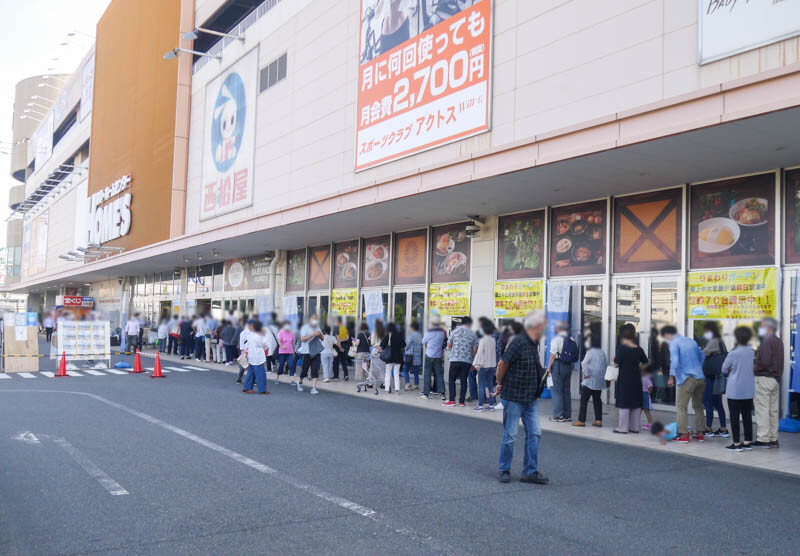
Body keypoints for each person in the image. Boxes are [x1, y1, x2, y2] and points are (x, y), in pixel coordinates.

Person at [495, 310, 549, 485]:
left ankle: (530, 472)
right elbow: (503, 363)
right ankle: (504, 469)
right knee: (510, 435)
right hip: (513, 397)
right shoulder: (518, 341)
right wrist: (499, 383)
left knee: (535, 433)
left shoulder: (533, 344)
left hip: (530, 398)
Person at [662, 325, 706, 443]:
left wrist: (671, 377)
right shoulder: (691, 341)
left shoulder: (674, 344)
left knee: (681, 406)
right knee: (698, 406)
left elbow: (674, 360)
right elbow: (702, 355)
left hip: (687, 378)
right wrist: (697, 367)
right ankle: (700, 433)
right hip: (700, 378)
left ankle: (683, 435)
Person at [722, 326, 756, 451]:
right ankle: (747, 442)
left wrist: (731, 370)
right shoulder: (751, 352)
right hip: (748, 389)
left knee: (734, 417)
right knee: (747, 416)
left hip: (735, 389)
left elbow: (724, 369)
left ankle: (736, 443)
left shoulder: (733, 353)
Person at [753, 317, 783, 448]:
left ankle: (763, 438)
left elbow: (764, 361)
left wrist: (755, 368)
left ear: (768, 327)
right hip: (775, 379)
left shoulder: (766, 341)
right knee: (773, 410)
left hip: (764, 378)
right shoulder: (778, 341)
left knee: (762, 409)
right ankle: (773, 438)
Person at [613, 324, 647, 434]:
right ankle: (635, 427)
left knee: (624, 403)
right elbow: (645, 362)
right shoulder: (639, 349)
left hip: (624, 379)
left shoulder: (621, 348)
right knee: (636, 403)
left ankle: (622, 428)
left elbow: (617, 362)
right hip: (636, 379)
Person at [546, 321, 578, 422]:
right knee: (566, 390)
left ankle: (558, 415)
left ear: (559, 329)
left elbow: (552, 355)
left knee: (556, 391)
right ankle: (567, 414)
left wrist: (548, 368)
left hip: (558, 365)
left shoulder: (556, 339)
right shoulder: (572, 339)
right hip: (568, 366)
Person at [701, 322, 729, 438]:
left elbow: (704, 353)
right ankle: (723, 428)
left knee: (708, 402)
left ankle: (708, 427)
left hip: (710, 376)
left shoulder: (713, 341)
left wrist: (701, 350)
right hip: (718, 375)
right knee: (718, 403)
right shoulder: (721, 342)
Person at [574, 333, 607, 427]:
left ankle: (581, 420)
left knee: (584, 400)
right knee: (597, 400)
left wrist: (587, 374)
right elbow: (605, 365)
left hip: (590, 380)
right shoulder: (602, 352)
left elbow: (583, 363)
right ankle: (598, 420)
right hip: (599, 381)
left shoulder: (590, 352)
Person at [444, 317, 478, 407]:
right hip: (467, 360)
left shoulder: (454, 331)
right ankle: (461, 402)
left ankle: (452, 400)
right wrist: (473, 362)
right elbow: (475, 350)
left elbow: (449, 344)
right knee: (463, 380)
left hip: (455, 359)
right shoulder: (473, 334)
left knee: (451, 379)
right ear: (470, 323)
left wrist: (455, 349)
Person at [473, 318, 497, 411]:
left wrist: (476, 364)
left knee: (481, 386)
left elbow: (479, 352)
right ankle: (491, 405)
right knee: (490, 386)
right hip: (492, 365)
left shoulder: (482, 340)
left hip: (483, 366)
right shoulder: (493, 339)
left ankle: (480, 406)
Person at [421, 315, 447, 400]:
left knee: (427, 374)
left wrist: (428, 346)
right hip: (438, 355)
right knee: (439, 374)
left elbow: (423, 341)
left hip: (429, 354)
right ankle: (442, 393)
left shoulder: (429, 332)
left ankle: (426, 394)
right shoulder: (442, 332)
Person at [242, 320, 270, 395]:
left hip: (251, 356)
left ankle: (247, 388)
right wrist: (264, 335)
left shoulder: (250, 335)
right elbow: (265, 344)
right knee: (261, 374)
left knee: (250, 373)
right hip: (258, 357)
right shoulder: (258, 336)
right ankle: (262, 389)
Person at [298, 314, 323, 394]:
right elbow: (302, 339)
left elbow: (322, 338)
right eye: (313, 319)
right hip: (306, 352)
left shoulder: (318, 327)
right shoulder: (305, 328)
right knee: (304, 370)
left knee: (315, 370)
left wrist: (320, 335)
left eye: (316, 319)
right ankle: (300, 381)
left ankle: (313, 388)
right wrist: (312, 334)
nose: (315, 320)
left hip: (315, 352)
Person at [379, 322, 406, 393]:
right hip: (398, 357)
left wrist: (377, 351)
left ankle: (387, 389)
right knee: (396, 373)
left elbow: (381, 345)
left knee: (388, 373)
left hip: (389, 357)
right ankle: (397, 389)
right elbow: (404, 345)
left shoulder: (388, 336)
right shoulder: (399, 335)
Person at [403, 321, 423, 390]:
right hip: (417, 357)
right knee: (416, 372)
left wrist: (405, 349)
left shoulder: (411, 335)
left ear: (413, 327)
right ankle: (416, 385)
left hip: (410, 356)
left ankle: (408, 384)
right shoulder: (420, 335)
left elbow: (407, 345)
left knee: (405, 370)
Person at [236, 319, 253, 384]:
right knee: (243, 365)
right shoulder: (244, 333)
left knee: (251, 365)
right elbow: (241, 342)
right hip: (245, 351)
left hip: (252, 350)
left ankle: (252, 380)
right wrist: (242, 351)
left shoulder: (254, 332)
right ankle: (239, 378)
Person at [641, 364, 654, 429]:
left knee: (646, 411)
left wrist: (649, 392)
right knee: (639, 410)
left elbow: (650, 387)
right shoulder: (641, 378)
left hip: (645, 395)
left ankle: (650, 424)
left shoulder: (646, 379)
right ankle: (635, 422)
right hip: (641, 395)